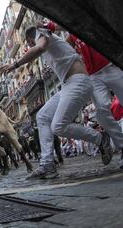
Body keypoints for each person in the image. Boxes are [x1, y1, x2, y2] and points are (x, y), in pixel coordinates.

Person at [0, 26, 112, 179]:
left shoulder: (41, 33)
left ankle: (100, 139)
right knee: (43, 116)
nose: (28, 47)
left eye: (28, 44)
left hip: (78, 82)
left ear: (30, 38)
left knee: (58, 126)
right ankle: (48, 164)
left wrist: (15, 65)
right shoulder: (51, 45)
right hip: (67, 85)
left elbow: (39, 48)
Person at [42, 21, 123, 167]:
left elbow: (61, 23)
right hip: (93, 76)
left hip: (111, 66)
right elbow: (64, 48)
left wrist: (47, 26)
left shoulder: (82, 21)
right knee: (102, 112)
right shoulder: (71, 37)